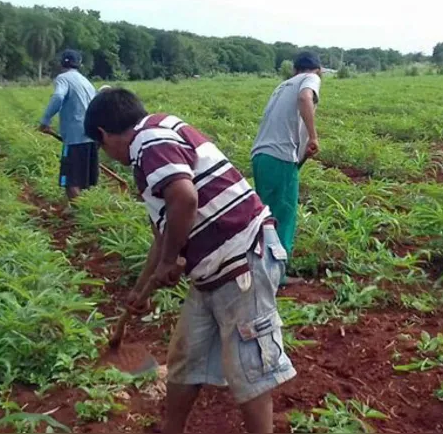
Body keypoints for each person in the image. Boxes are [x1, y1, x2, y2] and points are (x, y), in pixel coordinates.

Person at [84, 88, 295, 434]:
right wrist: (142, 290)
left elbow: (185, 197)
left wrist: (170, 260)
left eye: (102, 148)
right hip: (212, 271)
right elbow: (163, 236)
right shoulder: (153, 142)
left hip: (242, 258)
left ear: (104, 135)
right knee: (186, 357)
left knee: (250, 368)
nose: (107, 155)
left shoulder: (148, 141)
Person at [250, 51, 323, 286]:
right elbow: (305, 99)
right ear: (318, 70)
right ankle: (276, 275)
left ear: (294, 69)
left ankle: (259, 268)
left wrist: (301, 159)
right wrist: (314, 136)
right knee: (283, 217)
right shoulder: (309, 80)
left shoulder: (282, 86)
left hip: (261, 157)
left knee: (266, 216)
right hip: (278, 158)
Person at [39, 49, 98, 201]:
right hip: (91, 135)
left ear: (61, 63)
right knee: (83, 180)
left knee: (70, 181)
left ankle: (79, 217)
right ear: (79, 64)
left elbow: (58, 96)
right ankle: (84, 213)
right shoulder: (86, 81)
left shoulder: (63, 78)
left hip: (75, 137)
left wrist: (45, 121)